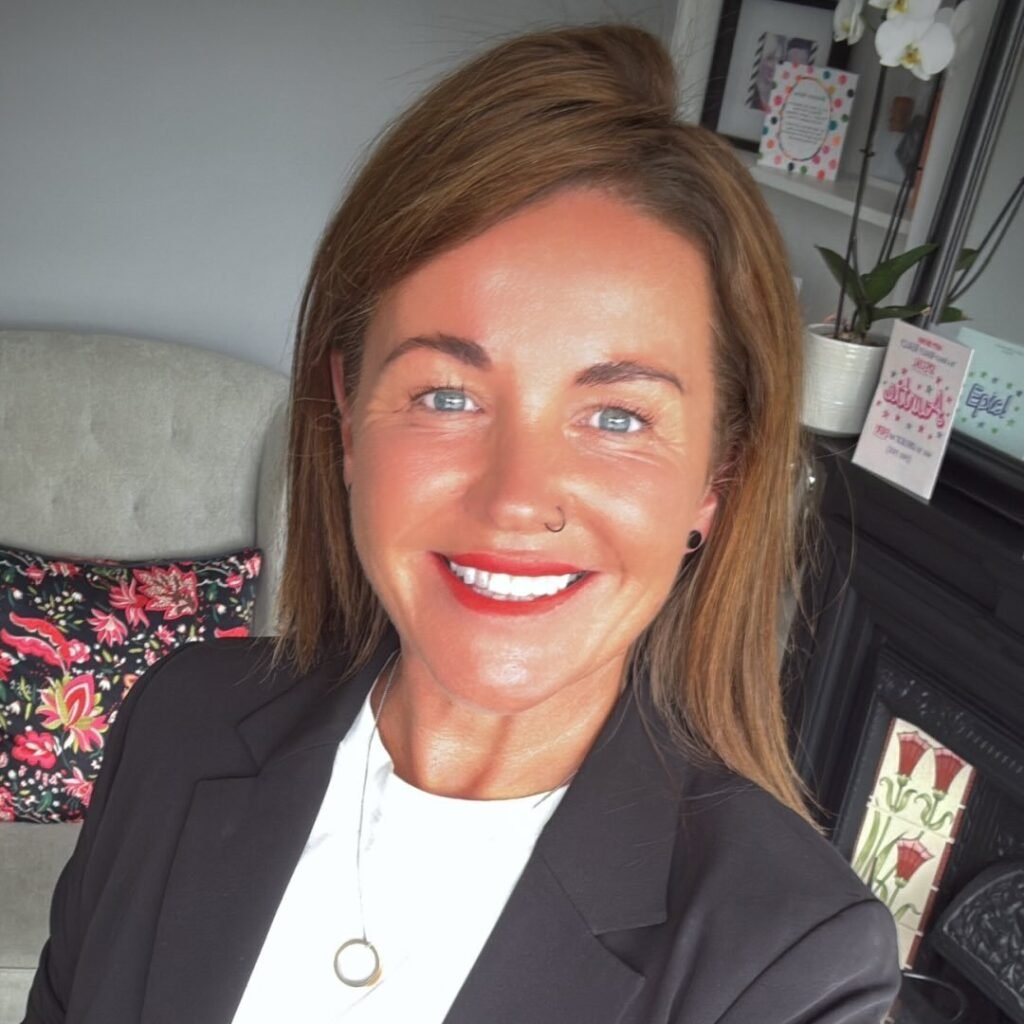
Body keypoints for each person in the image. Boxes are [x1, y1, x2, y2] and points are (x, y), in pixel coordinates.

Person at [23, 23, 900, 1024]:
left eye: (617, 417)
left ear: (716, 478)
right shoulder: (179, 724)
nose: (516, 498)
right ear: (348, 415)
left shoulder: (789, 963)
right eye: (447, 396)